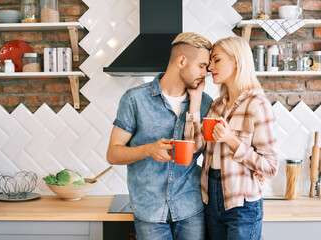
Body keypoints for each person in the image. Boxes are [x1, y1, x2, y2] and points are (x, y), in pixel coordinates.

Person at [106, 32, 213, 240]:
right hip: (150, 211)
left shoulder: (205, 102)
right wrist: (149, 149)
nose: (205, 74)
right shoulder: (134, 100)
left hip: (190, 209)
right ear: (182, 61)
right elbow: (113, 154)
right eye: (201, 66)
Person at [184, 36, 279, 240]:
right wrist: (195, 100)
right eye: (210, 61)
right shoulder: (217, 106)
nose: (210, 67)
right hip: (211, 198)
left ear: (237, 61)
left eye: (216, 60)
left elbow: (271, 167)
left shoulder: (257, 105)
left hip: (242, 204)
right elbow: (196, 146)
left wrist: (231, 139)